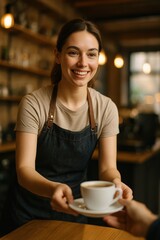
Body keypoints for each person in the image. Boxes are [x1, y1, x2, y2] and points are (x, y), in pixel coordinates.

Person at [0, 18, 132, 236]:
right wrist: (53, 188)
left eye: (91, 54)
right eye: (73, 52)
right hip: (26, 216)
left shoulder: (106, 108)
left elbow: (108, 168)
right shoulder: (34, 103)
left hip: (75, 211)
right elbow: (24, 170)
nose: (83, 63)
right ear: (58, 55)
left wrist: (116, 183)